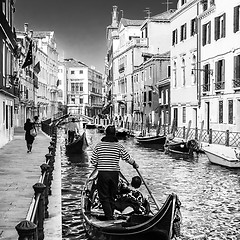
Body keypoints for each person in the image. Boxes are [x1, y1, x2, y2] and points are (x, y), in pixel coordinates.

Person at [90, 125, 139, 220]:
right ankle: (110, 215)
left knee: (104, 197)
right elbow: (127, 158)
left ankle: (109, 217)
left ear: (106, 134)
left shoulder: (99, 146)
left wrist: (100, 166)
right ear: (114, 134)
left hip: (103, 174)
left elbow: (93, 161)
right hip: (114, 174)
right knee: (112, 196)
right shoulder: (119, 146)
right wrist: (134, 164)